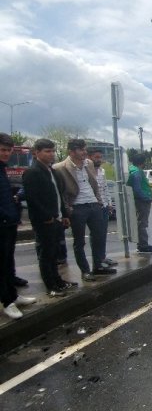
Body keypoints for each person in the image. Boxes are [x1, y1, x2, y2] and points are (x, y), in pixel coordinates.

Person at [53, 139, 113, 282]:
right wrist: (67, 209)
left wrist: (98, 200)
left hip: (93, 204)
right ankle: (85, 271)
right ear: (71, 152)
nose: (84, 152)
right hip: (77, 206)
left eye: (85, 149)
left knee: (99, 236)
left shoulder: (89, 163)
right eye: (81, 150)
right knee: (79, 241)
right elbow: (60, 192)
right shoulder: (60, 167)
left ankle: (98, 265)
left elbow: (94, 183)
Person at [23, 139, 74, 298]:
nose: (51, 154)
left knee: (55, 253)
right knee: (46, 255)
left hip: (57, 218)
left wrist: (64, 215)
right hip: (45, 221)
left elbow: (59, 196)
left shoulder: (52, 171)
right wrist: (47, 216)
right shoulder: (32, 172)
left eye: (52, 151)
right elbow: (32, 199)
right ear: (36, 153)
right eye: (47, 151)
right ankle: (51, 286)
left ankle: (58, 281)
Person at [0, 133, 37, 318]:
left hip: (9, 223)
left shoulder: (2, 169)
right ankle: (7, 302)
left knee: (8, 263)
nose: (6, 153)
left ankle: (13, 296)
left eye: (9, 150)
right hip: (2, 223)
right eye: (3, 150)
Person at [89, 149, 117, 269]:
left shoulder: (102, 171)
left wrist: (109, 203)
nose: (99, 160)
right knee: (96, 234)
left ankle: (102, 257)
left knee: (103, 233)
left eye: (100, 157)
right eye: (96, 157)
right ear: (89, 158)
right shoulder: (86, 172)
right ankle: (97, 260)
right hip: (94, 206)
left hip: (104, 205)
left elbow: (105, 188)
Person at [127, 154, 152, 254]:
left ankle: (143, 244)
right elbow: (137, 189)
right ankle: (143, 246)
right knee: (142, 223)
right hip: (142, 201)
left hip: (140, 200)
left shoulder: (134, 171)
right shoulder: (137, 173)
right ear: (142, 162)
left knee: (141, 223)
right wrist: (147, 197)